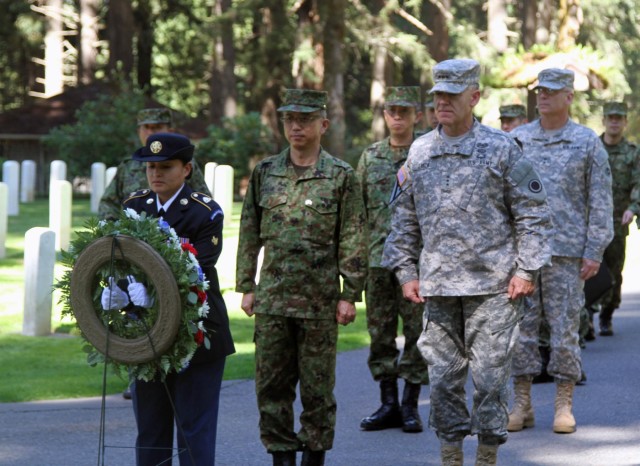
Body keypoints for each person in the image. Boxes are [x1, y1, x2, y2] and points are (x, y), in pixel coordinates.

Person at [382, 59, 553, 466]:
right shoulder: (420, 151)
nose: (442, 102)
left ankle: (487, 459)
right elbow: (403, 217)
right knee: (442, 381)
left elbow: (533, 214)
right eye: (438, 95)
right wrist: (406, 272)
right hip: (438, 291)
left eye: (452, 95)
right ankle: (451, 458)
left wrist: (526, 270)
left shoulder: (501, 149)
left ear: (473, 97)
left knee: (491, 383)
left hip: (494, 289)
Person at [235, 89, 367, 466]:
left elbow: (353, 236)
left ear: (323, 124)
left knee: (317, 389)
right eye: (290, 118)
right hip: (274, 300)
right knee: (271, 386)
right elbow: (249, 231)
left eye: (305, 119)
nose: (296, 126)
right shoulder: (265, 172)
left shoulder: (341, 176)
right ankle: (280, 456)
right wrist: (247, 285)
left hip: (319, 302)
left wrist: (350, 293)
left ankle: (313, 457)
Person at [509, 68, 613, 435]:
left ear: (569, 96)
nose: (543, 96)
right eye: (540, 91)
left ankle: (563, 403)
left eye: (552, 91)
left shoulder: (586, 142)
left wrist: (594, 250)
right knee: (521, 329)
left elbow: (600, 201)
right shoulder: (518, 139)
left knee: (565, 331)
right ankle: (522, 403)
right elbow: (505, 198)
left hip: (567, 254)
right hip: (524, 253)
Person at [121, 132, 235, 465]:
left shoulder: (204, 213)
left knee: (193, 431)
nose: (156, 173)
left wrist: (152, 288)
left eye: (166, 166)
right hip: (147, 330)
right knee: (151, 432)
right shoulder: (134, 206)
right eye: (150, 166)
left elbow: (196, 270)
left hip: (197, 333)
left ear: (186, 169)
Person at [356, 86, 429, 434]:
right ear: (384, 115)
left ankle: (410, 405)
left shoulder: (428, 153)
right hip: (377, 262)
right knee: (380, 335)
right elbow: (357, 213)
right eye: (391, 111)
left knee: (418, 333)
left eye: (404, 111)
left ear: (417, 115)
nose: (397, 118)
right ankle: (388, 403)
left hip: (418, 264)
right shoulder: (370, 157)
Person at [98, 107, 211, 222]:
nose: (150, 132)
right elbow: (109, 203)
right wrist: (112, 228)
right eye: (146, 127)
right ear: (139, 131)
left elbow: (203, 200)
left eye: (157, 127)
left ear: (170, 131)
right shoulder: (128, 166)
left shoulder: (182, 164)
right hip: (133, 234)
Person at [596, 101, 640, 336]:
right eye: (610, 117)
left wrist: (632, 207)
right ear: (603, 120)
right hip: (591, 219)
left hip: (617, 220)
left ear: (624, 122)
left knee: (613, 271)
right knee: (588, 267)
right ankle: (586, 315)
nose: (614, 121)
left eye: (619, 118)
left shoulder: (633, 152)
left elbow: (638, 183)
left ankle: (607, 314)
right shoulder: (591, 147)